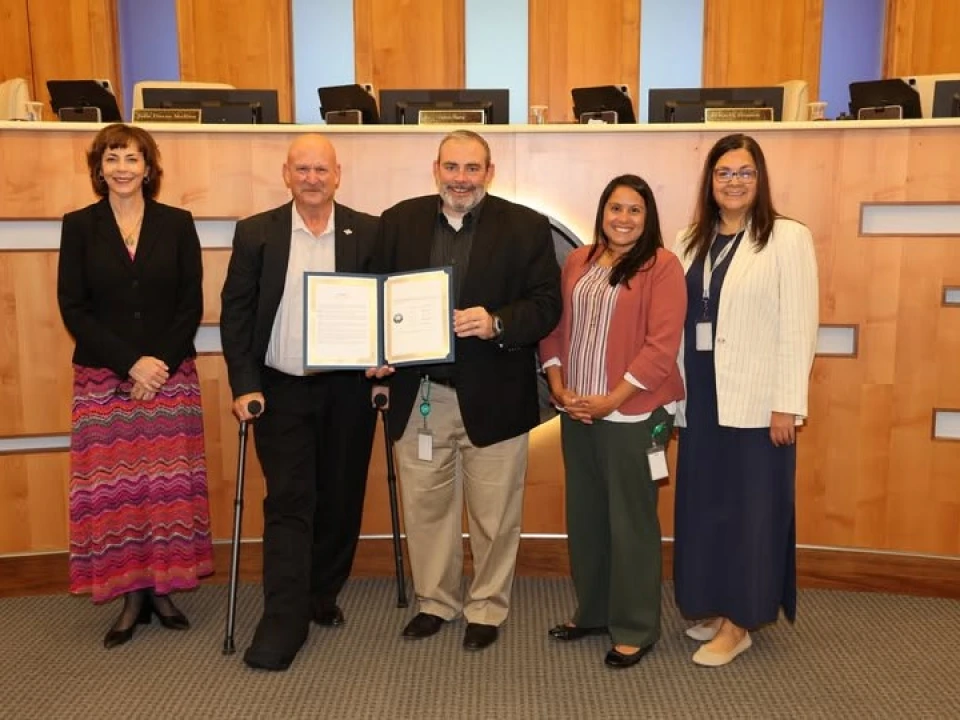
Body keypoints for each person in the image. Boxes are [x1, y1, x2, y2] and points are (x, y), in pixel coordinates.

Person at [369, 129, 561, 651]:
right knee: (425, 509)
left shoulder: (525, 226)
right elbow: (375, 298)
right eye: (451, 167)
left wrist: (497, 321)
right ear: (436, 169)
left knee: (495, 514)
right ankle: (436, 602)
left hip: (495, 396)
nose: (461, 179)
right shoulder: (398, 221)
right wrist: (375, 350)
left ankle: (487, 607)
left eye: (472, 168)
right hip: (420, 396)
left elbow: (547, 305)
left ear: (489, 172)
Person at [219, 134, 378, 671]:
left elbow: (384, 304)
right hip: (280, 389)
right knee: (290, 500)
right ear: (286, 175)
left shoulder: (367, 231)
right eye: (302, 169)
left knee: (340, 497)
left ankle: (320, 592)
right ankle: (282, 620)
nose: (312, 178)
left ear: (338, 175)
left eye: (321, 169)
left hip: (347, 390)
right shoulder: (256, 233)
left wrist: (385, 358)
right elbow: (237, 314)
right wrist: (244, 384)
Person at [57, 123, 212, 648]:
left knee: (166, 491)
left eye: (132, 158)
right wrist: (131, 365)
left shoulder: (177, 223)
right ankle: (130, 594)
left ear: (148, 168)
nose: (122, 168)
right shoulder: (79, 226)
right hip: (105, 379)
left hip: (169, 377)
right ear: (99, 169)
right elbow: (73, 307)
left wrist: (157, 365)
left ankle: (163, 589)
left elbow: (190, 302)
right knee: (117, 495)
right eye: (112, 158)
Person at [673, 133, 819, 666]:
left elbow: (799, 326)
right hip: (701, 398)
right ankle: (717, 607)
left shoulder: (787, 238)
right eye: (724, 173)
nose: (733, 182)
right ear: (710, 181)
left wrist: (787, 403)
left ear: (759, 180)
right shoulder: (688, 239)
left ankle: (741, 622)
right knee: (706, 509)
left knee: (752, 513)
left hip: (759, 404)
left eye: (744, 172)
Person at [540, 174, 686, 668]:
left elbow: (661, 348)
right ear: (602, 212)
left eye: (634, 210)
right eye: (615, 208)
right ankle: (594, 612)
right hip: (577, 410)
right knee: (586, 518)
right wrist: (559, 387)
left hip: (634, 414)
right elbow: (555, 330)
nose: (623, 219)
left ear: (648, 218)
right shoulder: (579, 261)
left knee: (631, 522)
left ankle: (636, 626)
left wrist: (612, 400)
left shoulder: (662, 266)